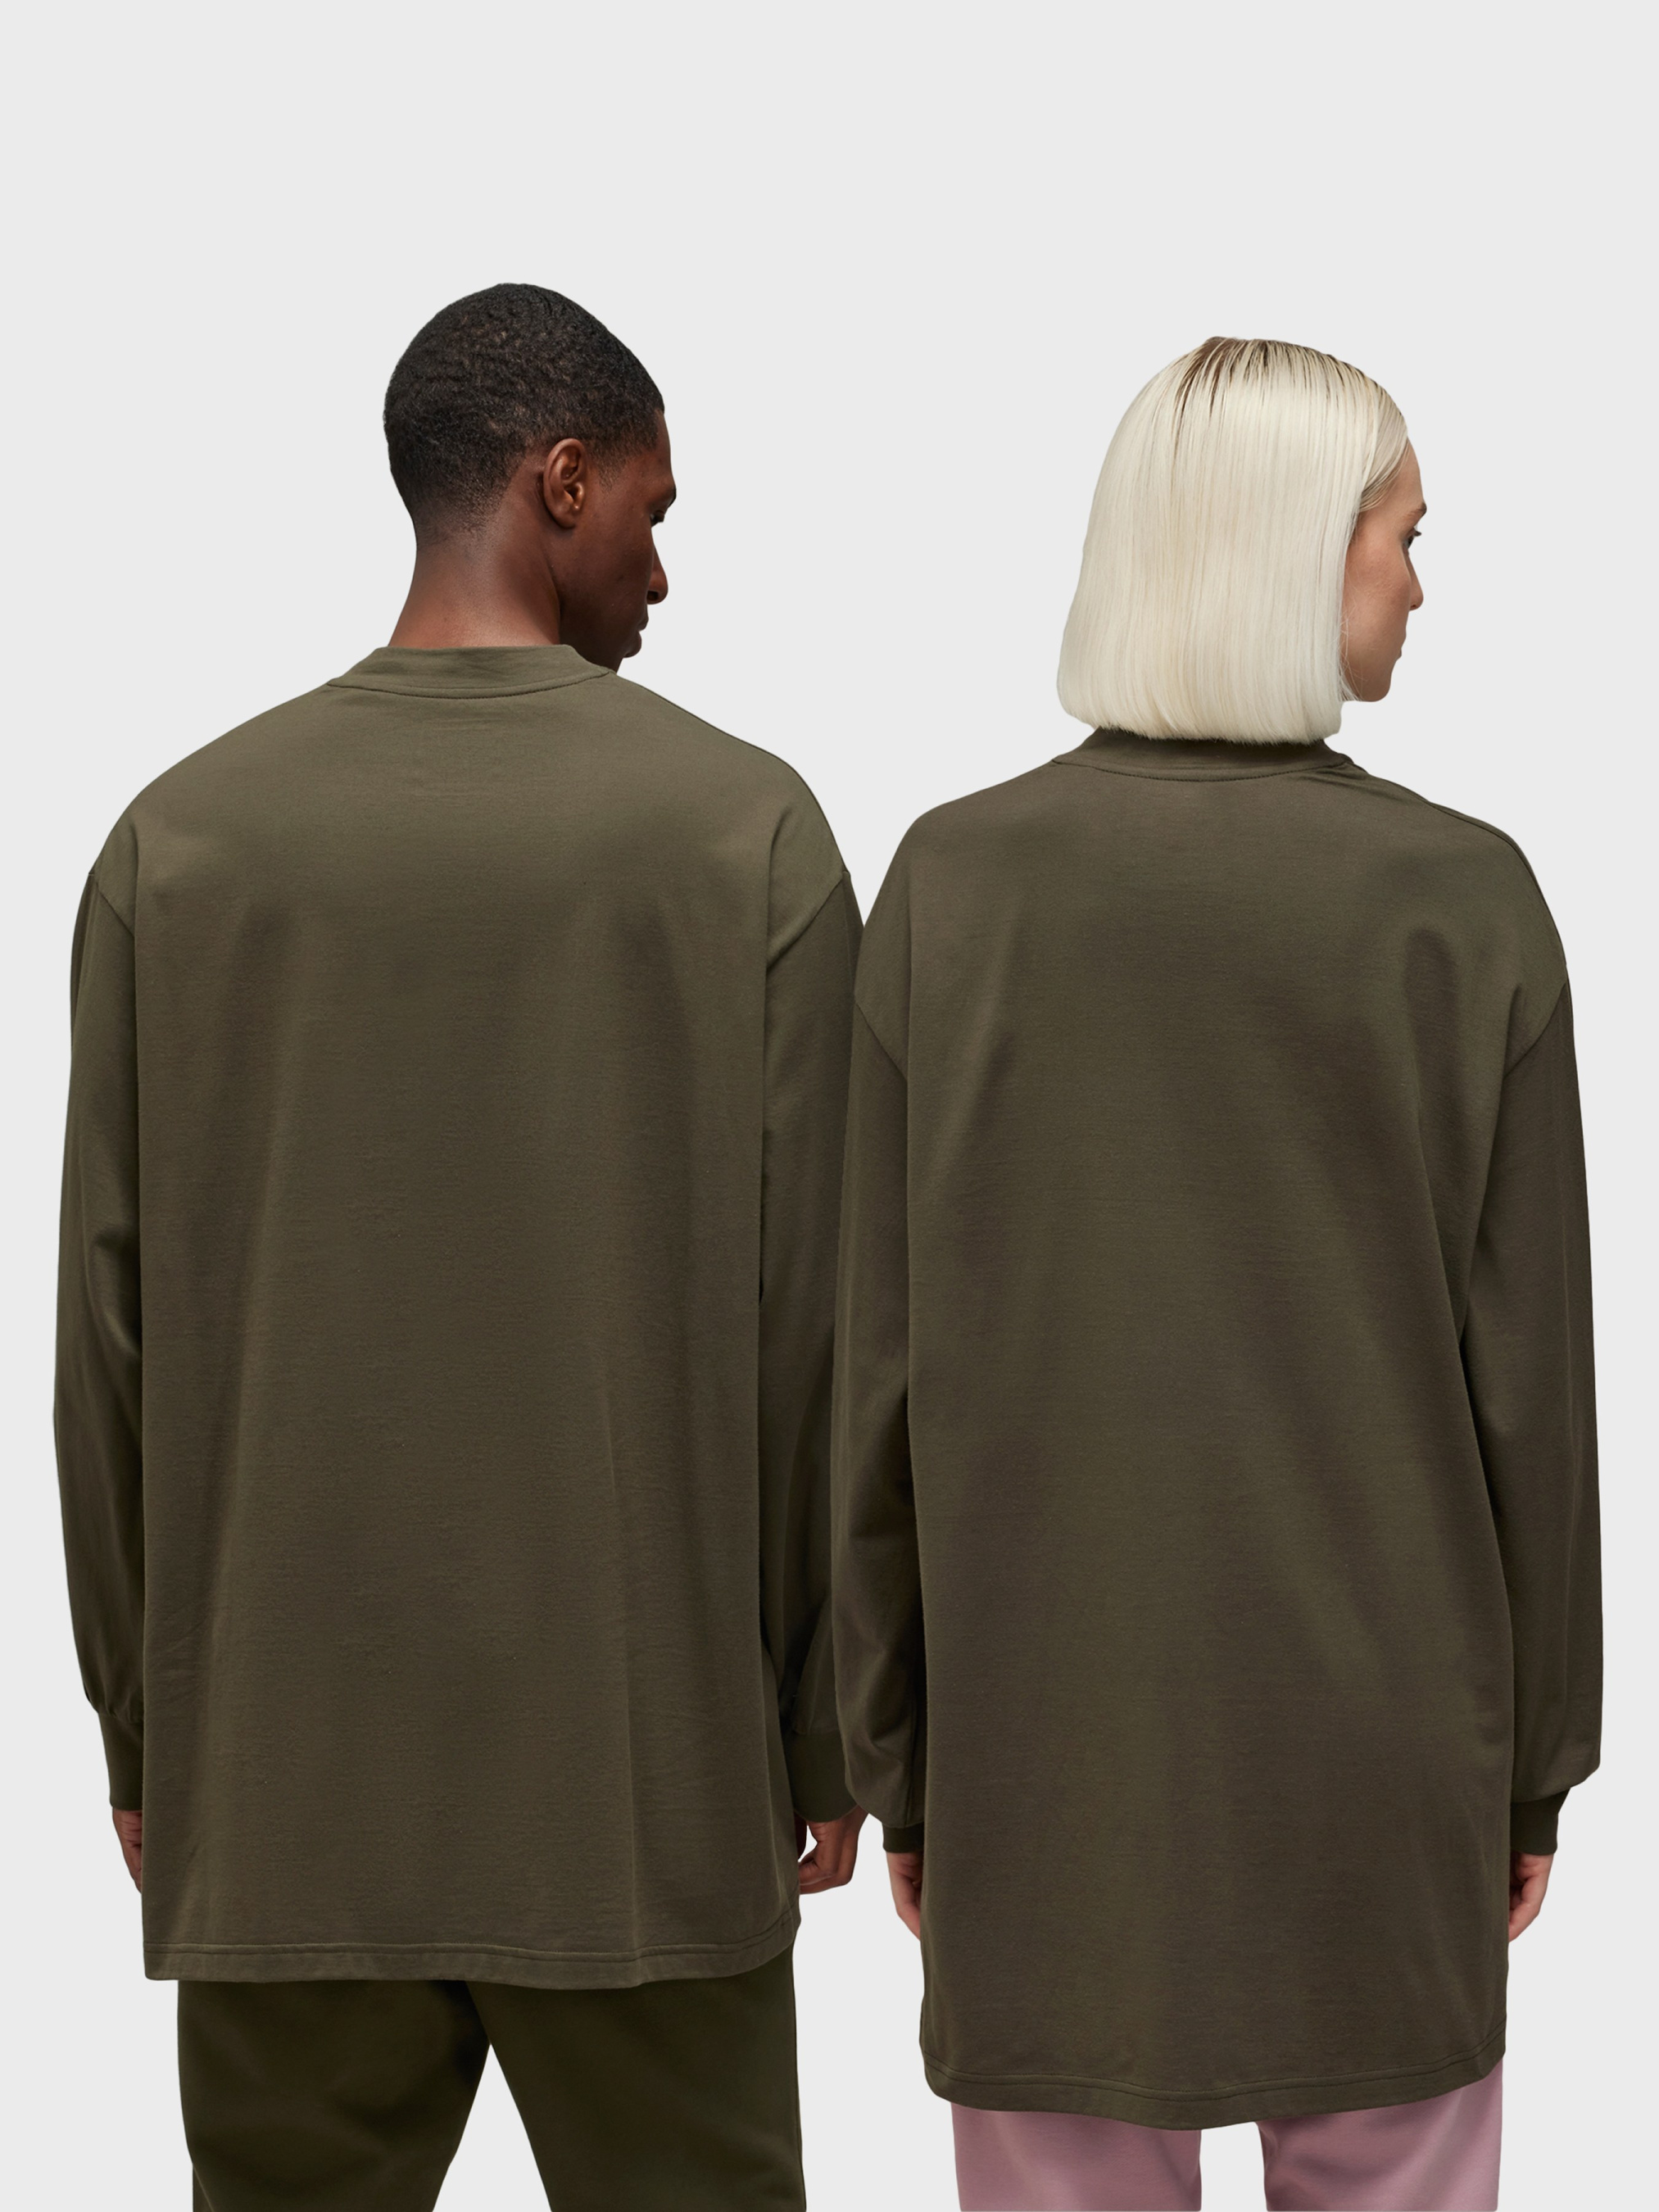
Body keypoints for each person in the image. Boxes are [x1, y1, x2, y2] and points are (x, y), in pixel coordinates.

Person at [55, 282, 863, 2212]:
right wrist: (822, 1726)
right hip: (644, 1789)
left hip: (285, 1786)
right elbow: (821, 1336)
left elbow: (109, 1340)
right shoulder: (742, 838)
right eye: (649, 512)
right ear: (559, 483)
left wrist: (150, 1729)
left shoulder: (181, 844)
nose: (660, 570)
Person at [832, 338, 1599, 2212]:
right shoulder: (1461, 902)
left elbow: (879, 1380)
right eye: (1401, 536)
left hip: (1042, 1766)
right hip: (1382, 1769)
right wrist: (1531, 1765)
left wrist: (897, 1753)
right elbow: (1532, 1397)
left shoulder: (950, 889)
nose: (1416, 583)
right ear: (1295, 550)